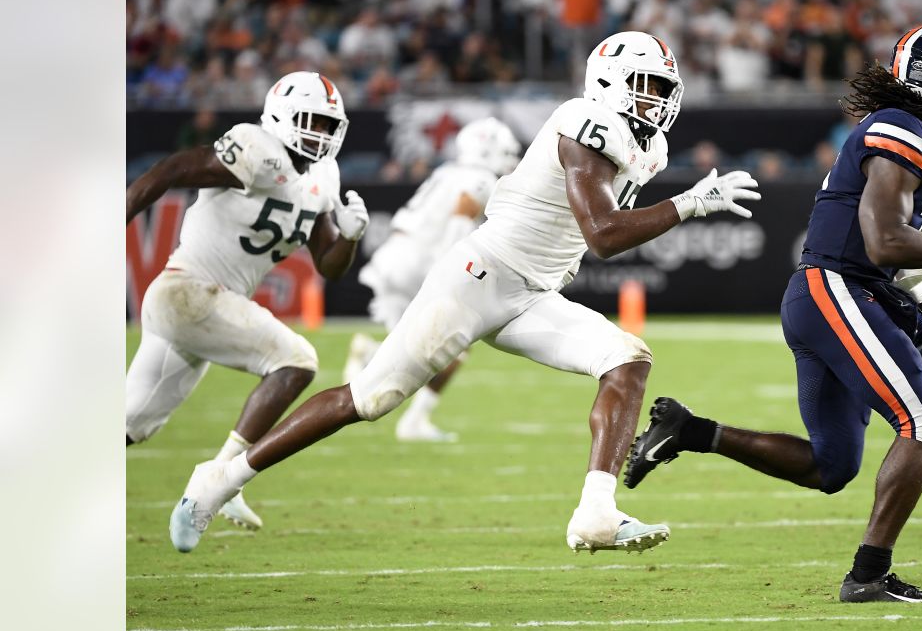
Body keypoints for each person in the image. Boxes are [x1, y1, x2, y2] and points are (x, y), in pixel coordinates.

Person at [168, 31, 761, 555]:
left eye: (664, 87)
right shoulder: (585, 121)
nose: (658, 99)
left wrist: (682, 203)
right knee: (368, 399)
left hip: (532, 293)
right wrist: (688, 205)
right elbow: (603, 235)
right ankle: (219, 479)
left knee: (627, 359)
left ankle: (595, 514)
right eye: (645, 84)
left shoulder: (646, 145)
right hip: (481, 276)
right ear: (606, 84)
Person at [625, 25, 922, 603]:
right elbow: (884, 245)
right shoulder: (904, 129)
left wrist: (920, 329)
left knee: (832, 465)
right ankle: (869, 575)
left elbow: (872, 256)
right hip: (835, 291)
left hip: (828, 294)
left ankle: (693, 431)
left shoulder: (904, 129)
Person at [126, 71, 368, 532]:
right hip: (189, 291)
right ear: (281, 114)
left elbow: (329, 264)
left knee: (131, 425)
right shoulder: (257, 148)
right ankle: (223, 479)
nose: (318, 134)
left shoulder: (323, 176)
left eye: (326, 126)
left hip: (203, 305)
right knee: (296, 360)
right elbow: (172, 170)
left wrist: (352, 237)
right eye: (310, 121)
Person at [344, 117, 523, 441]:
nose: (511, 159)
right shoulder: (480, 178)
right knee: (451, 346)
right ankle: (412, 418)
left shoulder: (447, 171)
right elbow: (459, 218)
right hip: (420, 264)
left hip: (394, 256)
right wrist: (453, 270)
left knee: (422, 346)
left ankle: (373, 356)